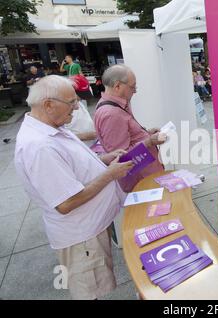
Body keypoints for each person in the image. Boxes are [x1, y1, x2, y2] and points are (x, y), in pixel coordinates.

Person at [14, 75, 134, 300]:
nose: (77, 106)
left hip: (89, 230)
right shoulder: (40, 147)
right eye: (71, 102)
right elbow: (66, 202)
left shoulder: (51, 128)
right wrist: (110, 174)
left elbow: (75, 167)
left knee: (95, 287)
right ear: (48, 105)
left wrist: (105, 159)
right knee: (89, 293)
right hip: (81, 236)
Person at [94, 64, 165, 192]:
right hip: (141, 180)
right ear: (117, 86)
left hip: (146, 174)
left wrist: (146, 133)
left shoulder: (117, 105)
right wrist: (150, 141)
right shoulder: (112, 114)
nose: (135, 91)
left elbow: (127, 135)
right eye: (132, 87)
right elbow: (122, 158)